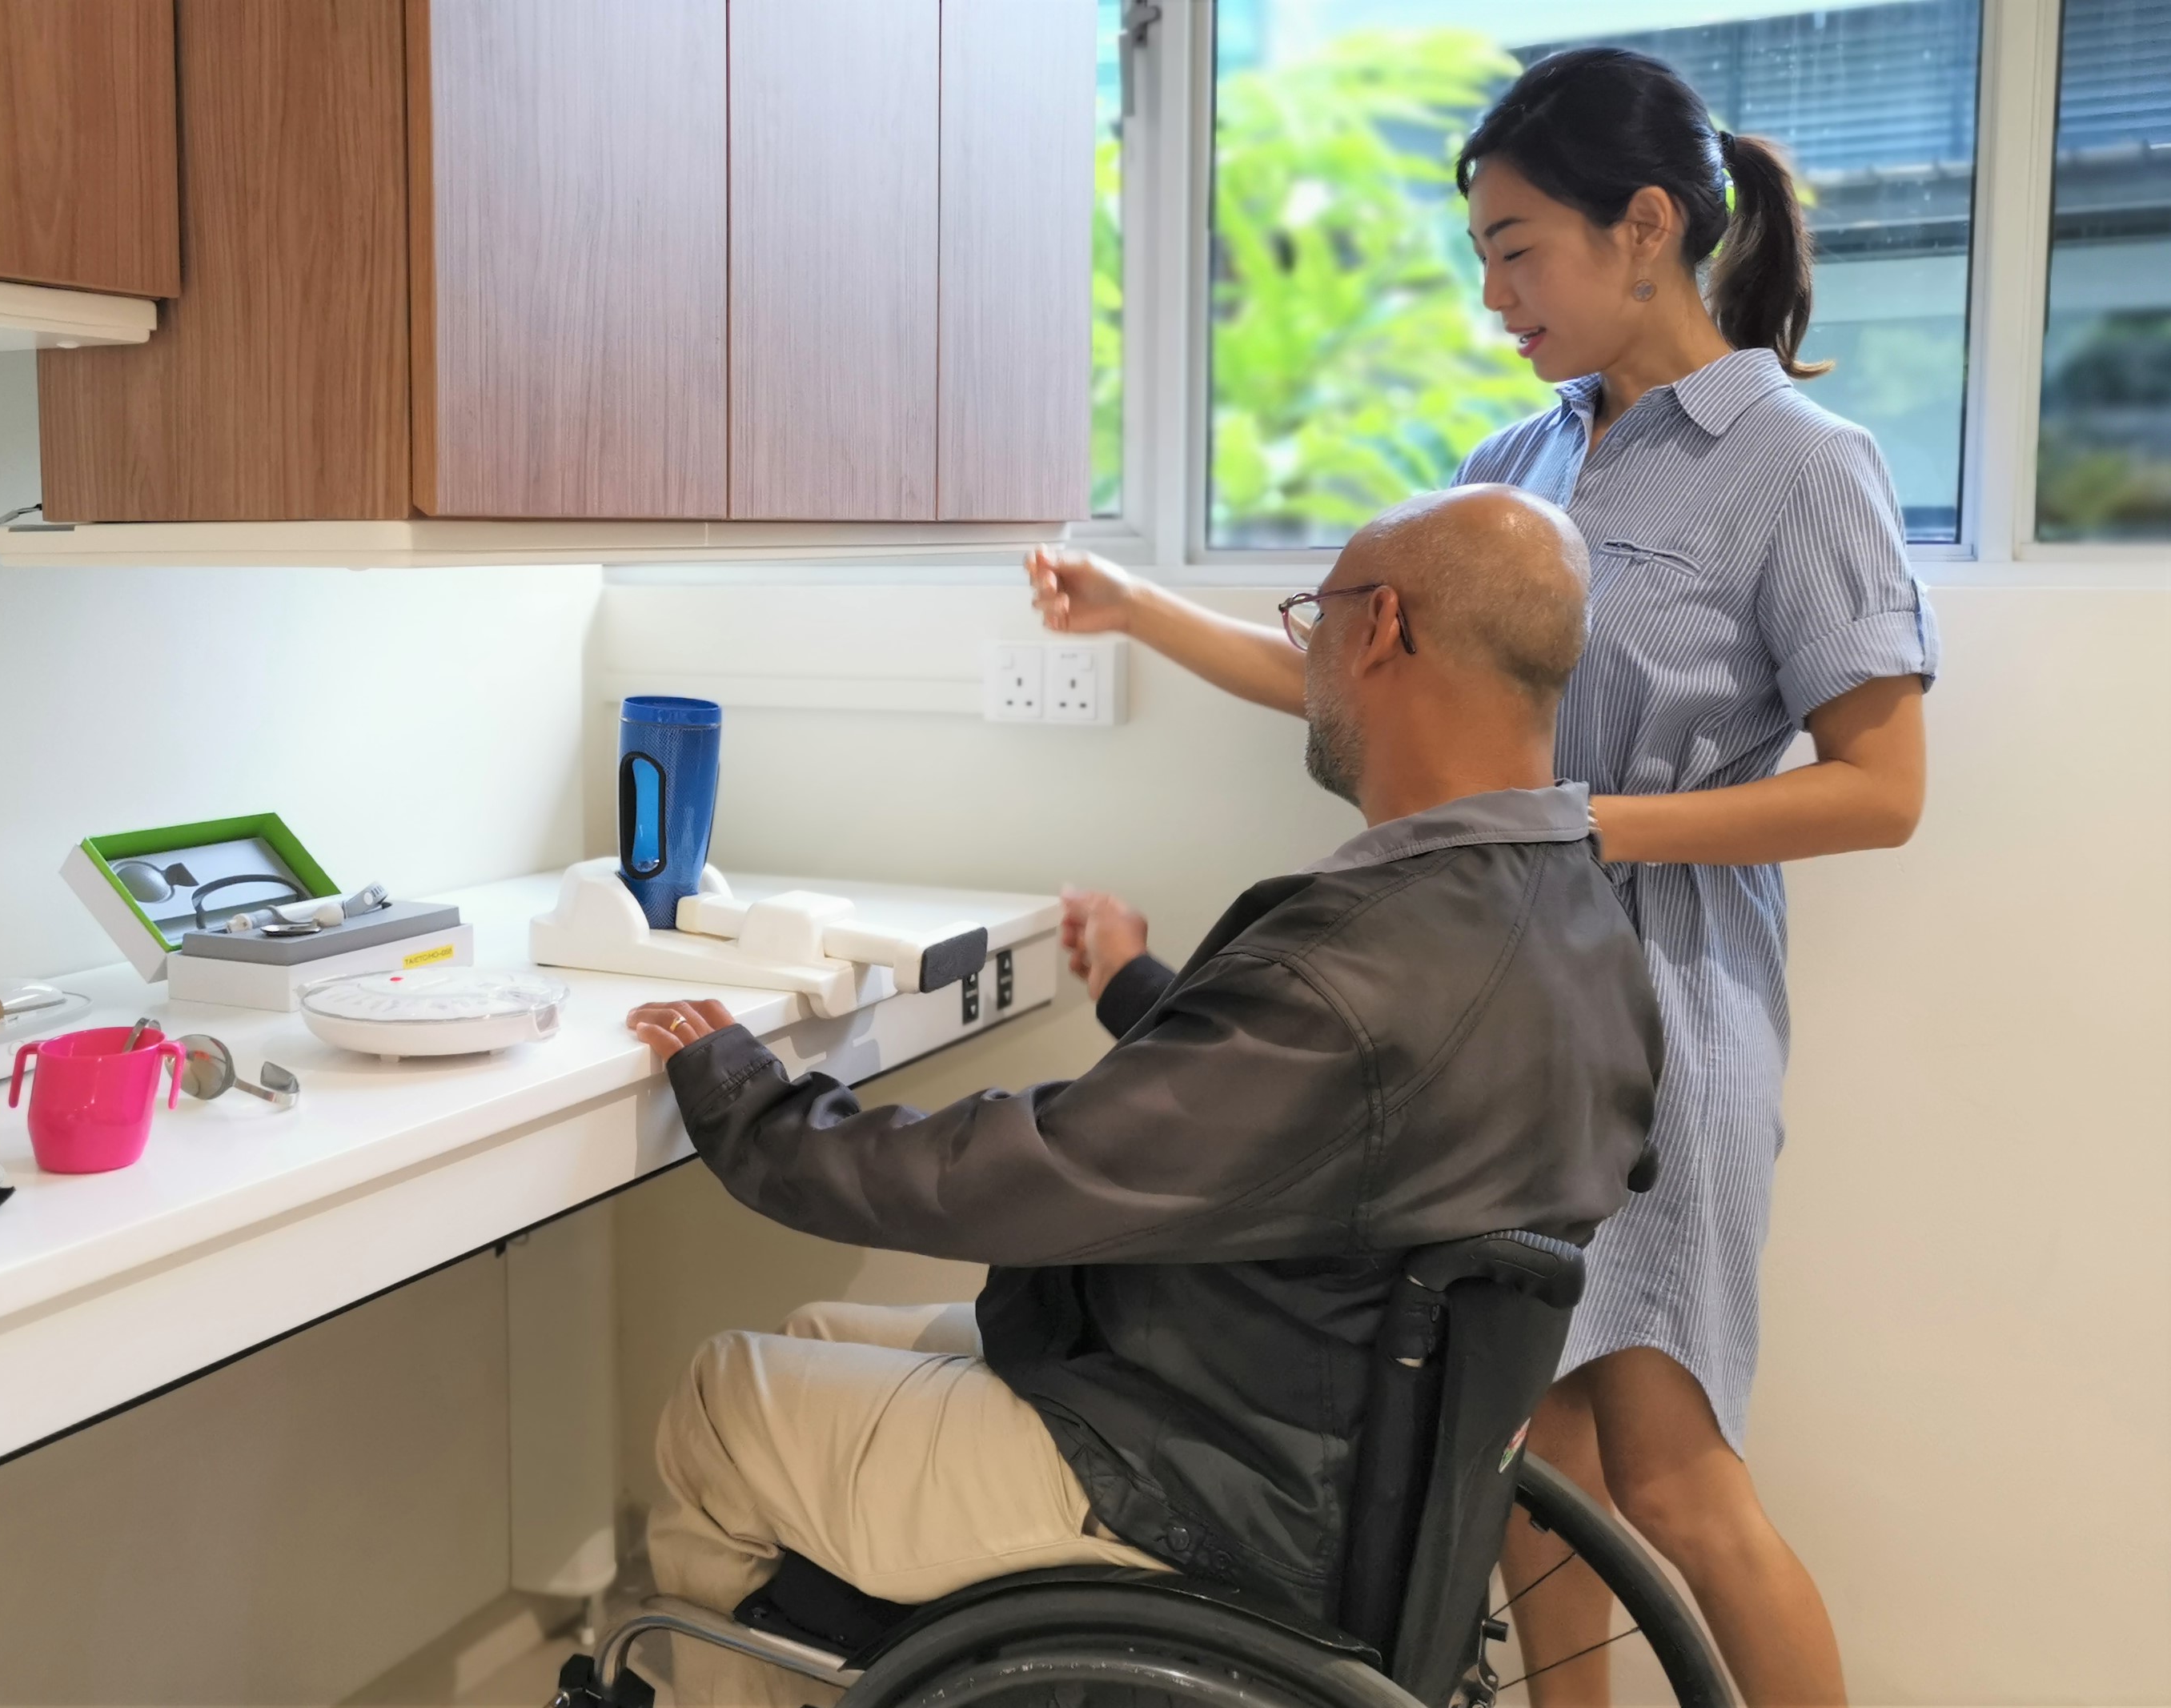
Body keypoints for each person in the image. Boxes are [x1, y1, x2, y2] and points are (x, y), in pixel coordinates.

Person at [1026, 48, 1936, 1707]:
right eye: (1483, 258)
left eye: (1519, 249)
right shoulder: (1515, 454)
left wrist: (1582, 825)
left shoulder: (1799, 461)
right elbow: (1368, 671)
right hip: (1492, 1005)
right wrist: (1136, 608)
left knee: (1672, 1476)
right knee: (1527, 1463)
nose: (1495, 294)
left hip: (1660, 1024)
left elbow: (1880, 791)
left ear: (1644, 226)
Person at [626, 486, 1662, 1707]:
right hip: (1330, 1450)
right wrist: (1140, 988)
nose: (1308, 651)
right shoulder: (1580, 927)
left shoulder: (1365, 962)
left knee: (721, 1401)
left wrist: (754, 1106)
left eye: (1311, 615)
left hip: (1203, 1484)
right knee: (809, 1339)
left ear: (1381, 626)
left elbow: (1027, 1175)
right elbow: (1335, 1115)